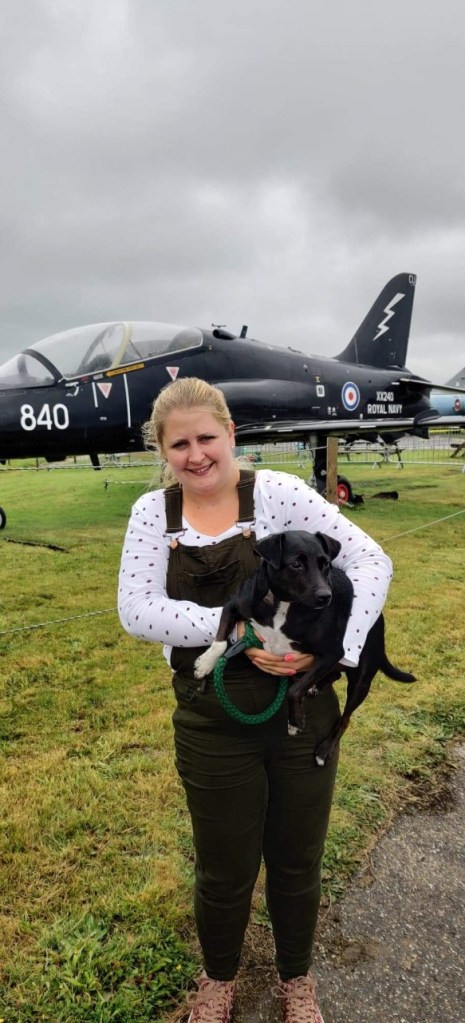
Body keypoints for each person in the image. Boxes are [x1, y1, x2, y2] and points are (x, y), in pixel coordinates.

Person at [118, 378, 393, 1023]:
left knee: (298, 859)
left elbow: (371, 561)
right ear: (164, 452)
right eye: (179, 444)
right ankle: (218, 981)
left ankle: (298, 981)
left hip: (303, 710)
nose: (197, 455)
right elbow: (137, 610)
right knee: (224, 868)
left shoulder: (278, 494)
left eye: (207, 438)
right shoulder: (151, 516)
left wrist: (337, 652)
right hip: (211, 720)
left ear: (231, 435)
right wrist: (238, 631)